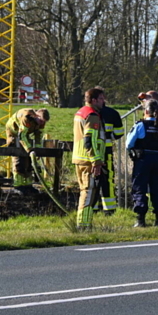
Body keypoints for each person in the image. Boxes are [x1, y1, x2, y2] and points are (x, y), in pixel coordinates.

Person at [126, 99, 158, 227]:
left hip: (143, 159)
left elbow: (128, 144)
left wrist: (134, 151)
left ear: (145, 111)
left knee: (139, 188)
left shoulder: (141, 125)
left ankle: (141, 219)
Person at [72, 87, 108, 231]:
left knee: (85, 191)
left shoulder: (81, 112)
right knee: (88, 193)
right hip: (88, 161)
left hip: (80, 158)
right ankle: (83, 226)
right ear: (93, 100)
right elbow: (90, 140)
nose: (103, 102)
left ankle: (84, 224)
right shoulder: (92, 115)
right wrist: (96, 161)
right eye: (100, 99)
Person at [95, 93, 124, 215]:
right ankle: (109, 209)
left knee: (92, 180)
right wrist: (109, 137)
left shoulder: (86, 113)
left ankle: (92, 208)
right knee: (107, 180)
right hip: (106, 152)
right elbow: (119, 132)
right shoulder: (112, 113)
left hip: (90, 152)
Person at [6, 108, 42, 194]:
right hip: (14, 133)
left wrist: (37, 150)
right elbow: (21, 136)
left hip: (25, 133)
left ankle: (28, 185)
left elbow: (38, 134)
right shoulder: (26, 118)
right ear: (36, 116)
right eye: (41, 121)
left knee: (29, 161)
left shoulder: (40, 121)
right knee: (19, 159)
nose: (42, 124)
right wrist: (29, 150)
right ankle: (18, 185)